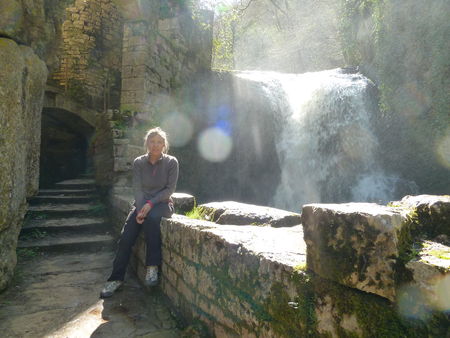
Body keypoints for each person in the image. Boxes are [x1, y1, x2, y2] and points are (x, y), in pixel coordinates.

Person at [100, 127, 179, 298]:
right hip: (141, 205)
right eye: (152, 141)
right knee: (126, 237)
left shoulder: (171, 162)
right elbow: (137, 188)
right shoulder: (139, 162)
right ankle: (116, 279)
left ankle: (152, 267)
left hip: (162, 204)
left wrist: (150, 204)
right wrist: (140, 209)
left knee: (153, 218)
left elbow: (169, 189)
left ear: (164, 145)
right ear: (147, 143)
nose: (155, 145)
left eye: (159, 142)